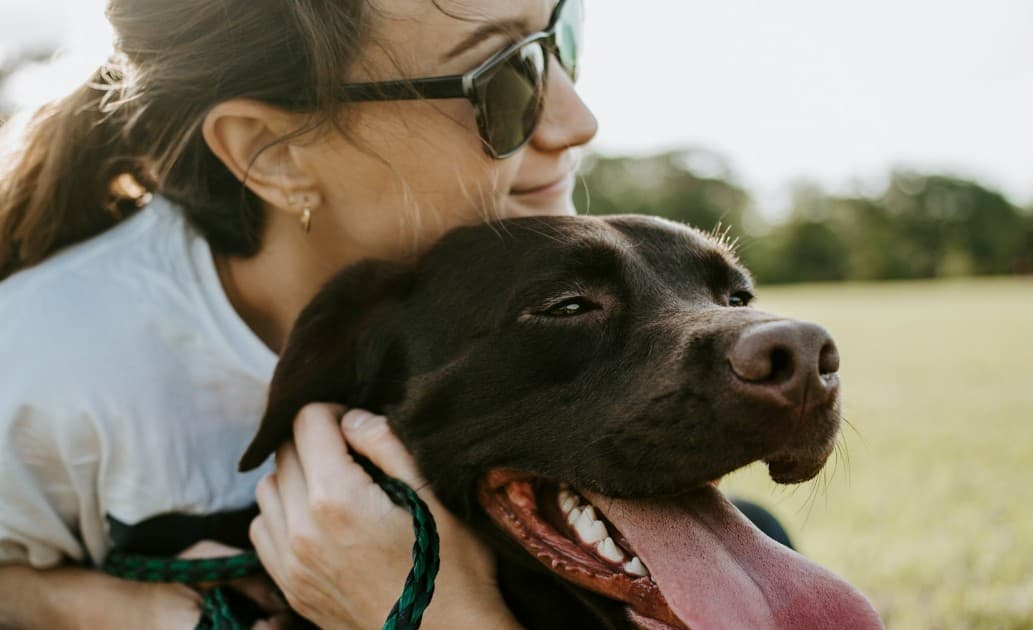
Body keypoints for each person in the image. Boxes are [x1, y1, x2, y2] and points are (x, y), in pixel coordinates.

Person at [0, 0, 594, 626]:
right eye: (506, 76)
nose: (578, 120)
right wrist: (127, 612)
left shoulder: (565, 317)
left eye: (564, 36)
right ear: (273, 153)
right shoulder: (40, 360)